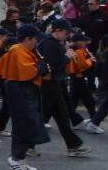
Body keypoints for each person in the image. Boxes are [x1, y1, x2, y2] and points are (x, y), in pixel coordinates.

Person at [0, 24, 51, 170]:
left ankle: (21, 158)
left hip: (26, 89)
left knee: (29, 123)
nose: (36, 42)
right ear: (27, 39)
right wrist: (40, 67)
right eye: (35, 39)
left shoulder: (25, 50)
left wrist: (41, 66)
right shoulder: (17, 50)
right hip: (19, 90)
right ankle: (15, 159)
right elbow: (28, 72)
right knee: (22, 124)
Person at [38, 19, 92, 157]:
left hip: (56, 84)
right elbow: (53, 66)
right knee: (43, 116)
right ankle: (25, 145)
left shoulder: (57, 43)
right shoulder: (49, 44)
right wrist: (67, 57)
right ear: (58, 31)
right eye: (66, 32)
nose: (68, 36)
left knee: (61, 117)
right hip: (49, 84)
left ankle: (73, 146)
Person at [67, 34, 96, 120]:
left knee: (73, 100)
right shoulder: (78, 51)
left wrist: (88, 56)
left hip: (75, 78)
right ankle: (94, 119)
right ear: (79, 42)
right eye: (84, 41)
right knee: (88, 100)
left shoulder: (77, 50)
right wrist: (90, 60)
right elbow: (82, 66)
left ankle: (72, 119)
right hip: (78, 77)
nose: (86, 43)